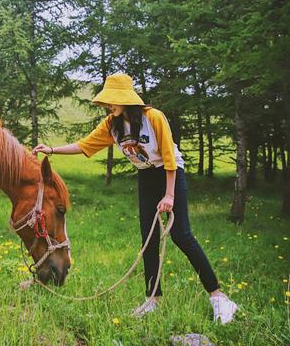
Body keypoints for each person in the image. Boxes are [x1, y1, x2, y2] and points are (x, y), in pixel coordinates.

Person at [32, 73, 238, 324]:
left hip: (170, 173)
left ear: (126, 99)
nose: (109, 105)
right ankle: (153, 299)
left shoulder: (153, 118)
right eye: (107, 100)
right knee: (148, 239)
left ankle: (218, 296)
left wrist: (170, 195)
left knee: (181, 235)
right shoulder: (112, 124)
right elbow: (84, 145)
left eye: (113, 100)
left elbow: (169, 157)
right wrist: (52, 149)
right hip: (146, 176)